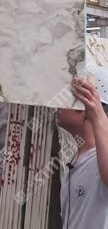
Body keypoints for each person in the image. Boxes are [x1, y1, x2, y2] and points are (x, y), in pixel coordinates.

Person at [57, 70, 108, 229]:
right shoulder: (75, 162)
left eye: (66, 97)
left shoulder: (99, 163)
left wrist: (97, 115)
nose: (57, 104)